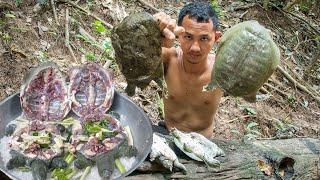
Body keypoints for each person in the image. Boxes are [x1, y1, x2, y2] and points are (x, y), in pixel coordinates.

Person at [153, 2, 223, 138]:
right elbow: (136, 56)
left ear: (216, 37)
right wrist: (151, 30)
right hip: (168, 134)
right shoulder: (169, 58)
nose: (195, 48)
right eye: (188, 37)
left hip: (203, 143)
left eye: (204, 38)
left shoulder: (221, 68)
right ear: (179, 34)